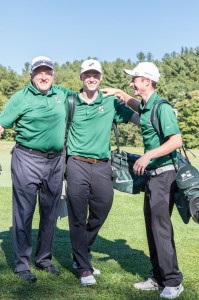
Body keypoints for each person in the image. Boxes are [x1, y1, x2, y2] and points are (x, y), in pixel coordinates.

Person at [101, 62, 184, 299]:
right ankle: (158, 277)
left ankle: (173, 281)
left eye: (135, 79)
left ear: (147, 81)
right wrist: (120, 94)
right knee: (152, 227)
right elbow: (135, 104)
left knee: (161, 228)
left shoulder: (162, 107)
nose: (131, 82)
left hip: (165, 175)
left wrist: (148, 155)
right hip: (153, 177)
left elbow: (175, 140)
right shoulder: (148, 106)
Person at [0, 56, 74, 282]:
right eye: (39, 72)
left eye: (48, 72)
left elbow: (88, 96)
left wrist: (119, 96)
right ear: (31, 75)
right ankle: (22, 264)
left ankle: (44, 259)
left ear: (53, 75)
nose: (44, 76)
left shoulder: (62, 93)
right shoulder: (20, 98)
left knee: (50, 212)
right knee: (24, 212)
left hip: (55, 161)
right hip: (27, 159)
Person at [66, 59, 139, 286]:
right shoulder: (70, 101)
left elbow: (139, 117)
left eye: (95, 74)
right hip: (76, 162)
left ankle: (81, 253)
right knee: (77, 215)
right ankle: (84, 267)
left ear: (101, 77)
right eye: (87, 74)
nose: (91, 78)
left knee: (102, 208)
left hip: (102, 165)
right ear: (81, 77)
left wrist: (157, 114)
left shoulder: (110, 103)